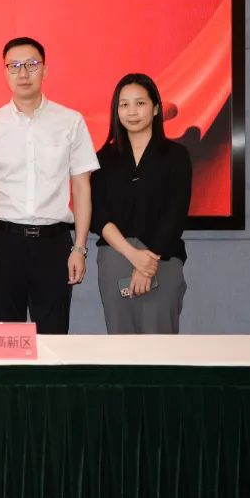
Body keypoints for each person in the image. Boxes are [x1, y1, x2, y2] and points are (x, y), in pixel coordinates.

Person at [0, 37, 99, 334]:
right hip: (4, 243)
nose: (23, 73)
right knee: (6, 337)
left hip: (53, 244)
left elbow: (81, 189)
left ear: (45, 70)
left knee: (54, 336)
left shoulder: (70, 122)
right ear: (5, 72)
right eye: (14, 66)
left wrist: (79, 248)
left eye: (31, 64)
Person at [90, 73, 192, 334]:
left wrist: (147, 266)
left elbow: (176, 213)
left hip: (162, 258)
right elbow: (99, 216)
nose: (132, 112)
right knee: (121, 342)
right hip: (116, 256)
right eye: (124, 105)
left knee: (159, 343)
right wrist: (132, 254)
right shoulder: (103, 158)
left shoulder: (176, 156)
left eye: (140, 103)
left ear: (155, 108)